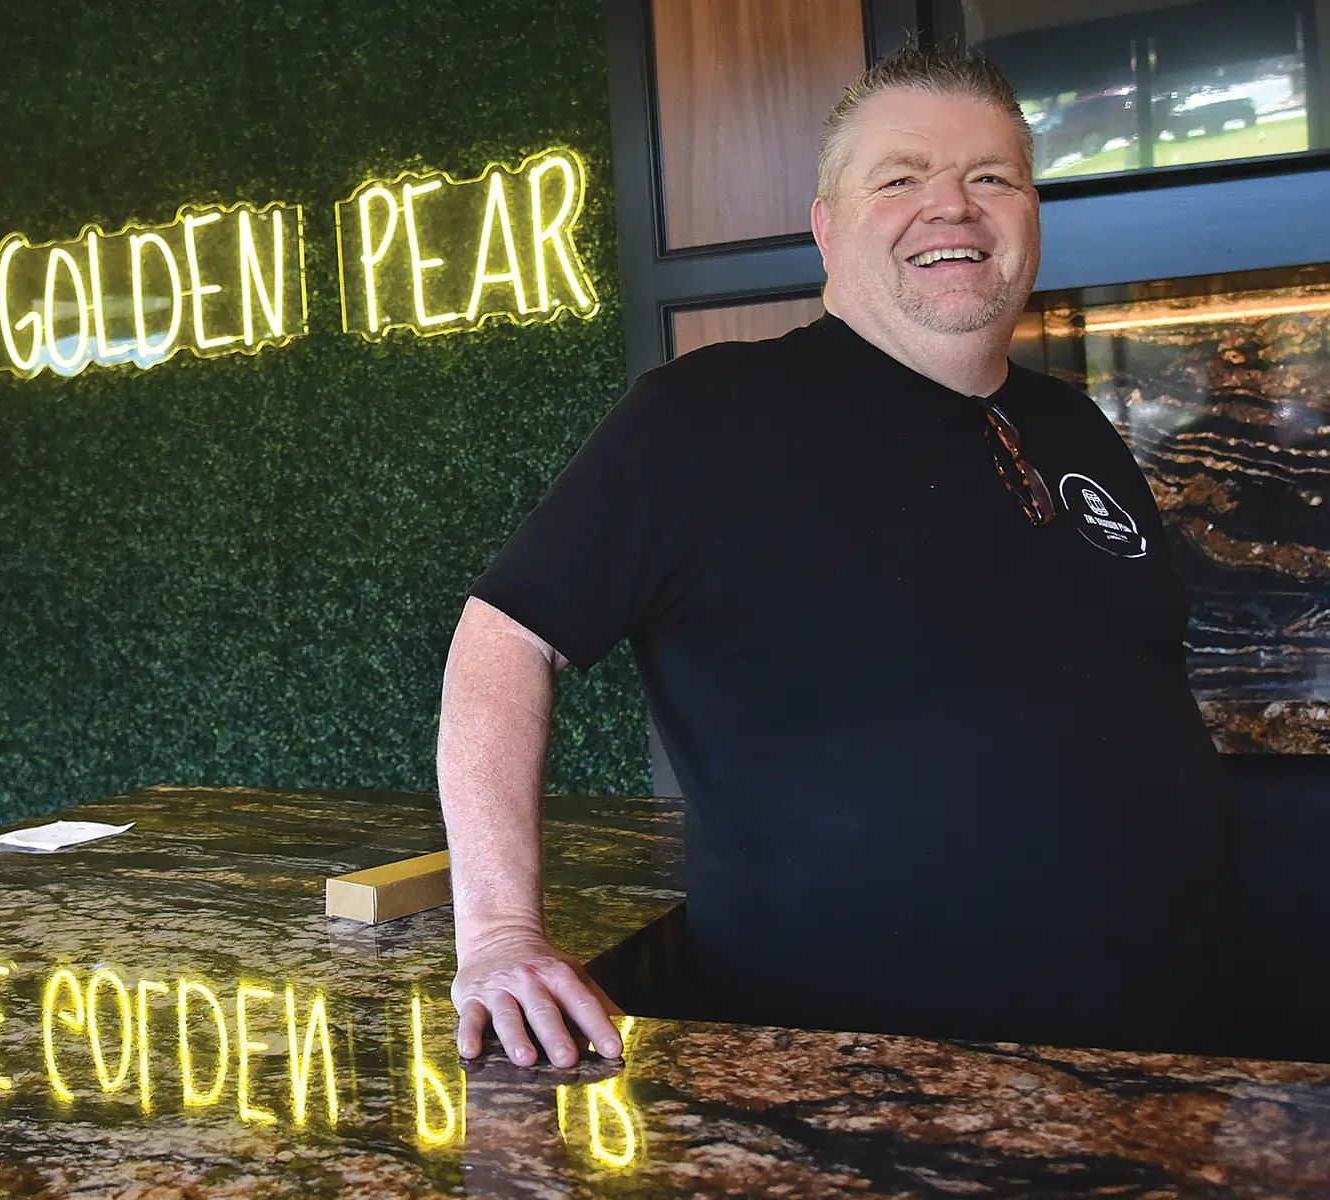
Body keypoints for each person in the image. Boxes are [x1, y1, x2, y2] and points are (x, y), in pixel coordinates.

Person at [436, 45, 1233, 1071]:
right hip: (863, 1073)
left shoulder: (1072, 424)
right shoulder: (704, 419)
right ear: (826, 228)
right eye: (899, 179)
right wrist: (499, 935)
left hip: (1164, 1045)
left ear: (1032, 213)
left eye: (989, 177)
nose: (951, 207)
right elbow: (503, 638)